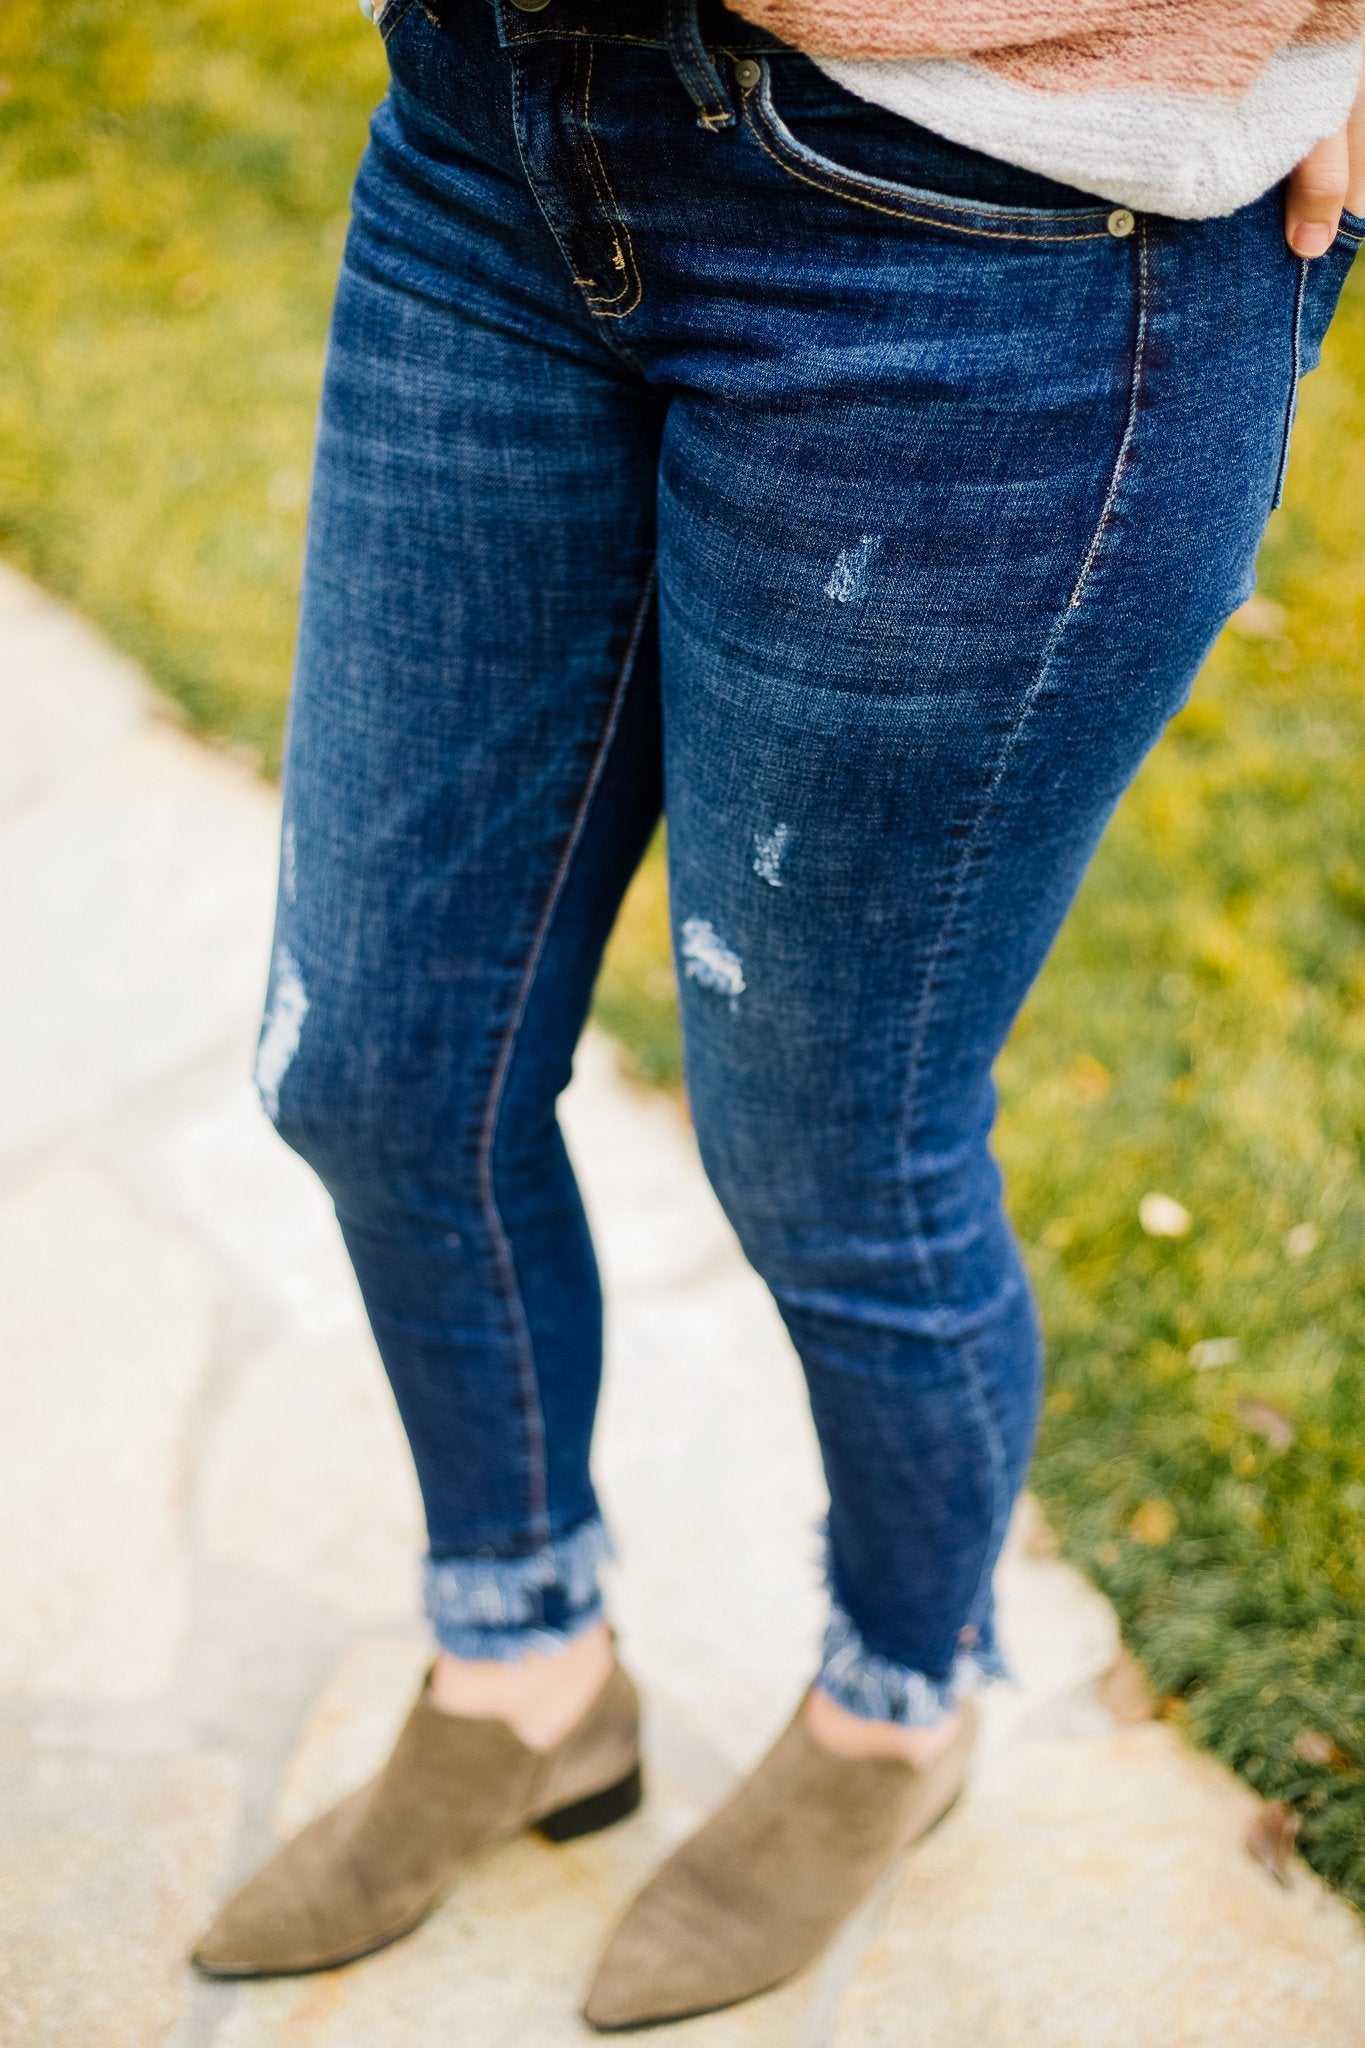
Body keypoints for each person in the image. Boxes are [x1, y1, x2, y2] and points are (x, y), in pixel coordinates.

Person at [191, 0, 1364, 2024]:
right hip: (498, 137)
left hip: (994, 235)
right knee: (375, 1061)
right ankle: (522, 1658)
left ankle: (897, 1710)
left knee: (830, 1142)